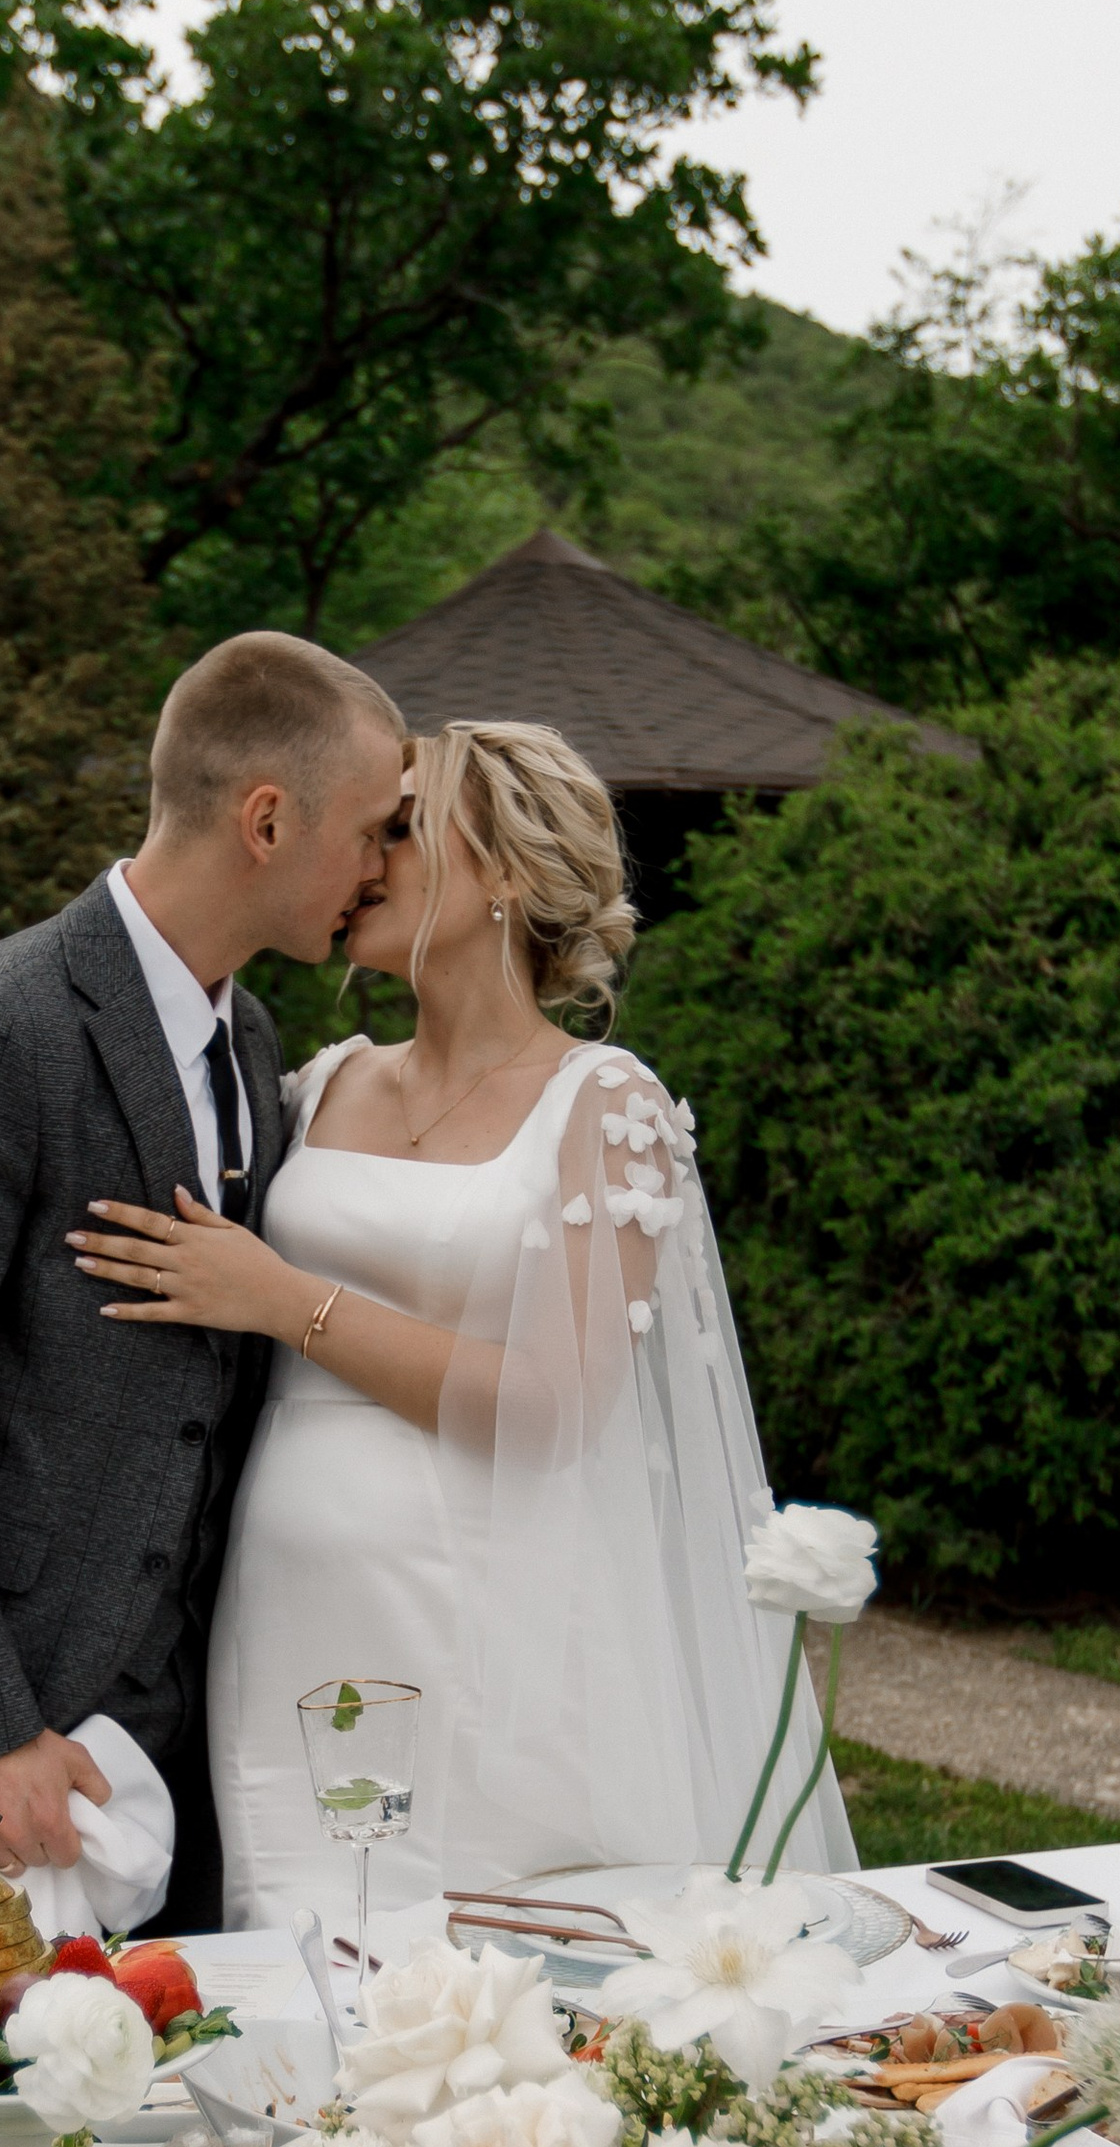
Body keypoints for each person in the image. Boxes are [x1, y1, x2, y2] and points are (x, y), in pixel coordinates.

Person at [69, 716, 855, 1926]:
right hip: (288, 1620)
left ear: (503, 871)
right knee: (303, 1951)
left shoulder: (602, 1105)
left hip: (491, 1627)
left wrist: (283, 1300)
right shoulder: (319, 1081)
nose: (364, 859)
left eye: (400, 829)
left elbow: (549, 1406)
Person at [0, 630, 406, 1933]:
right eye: (370, 830)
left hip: (193, 1739)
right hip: (11, 1751)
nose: (379, 868)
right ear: (269, 818)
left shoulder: (251, 1037)